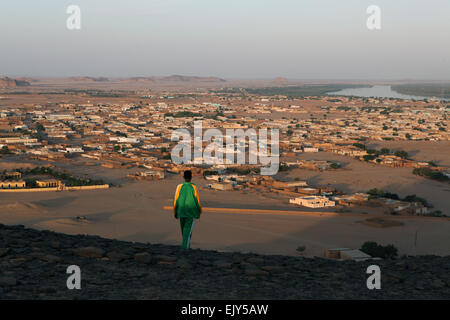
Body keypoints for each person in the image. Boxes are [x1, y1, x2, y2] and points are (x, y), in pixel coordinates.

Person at [173, 170, 202, 249]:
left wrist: (175, 212)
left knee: (184, 231)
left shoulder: (179, 187)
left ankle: (185, 246)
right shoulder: (194, 187)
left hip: (181, 212)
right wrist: (199, 211)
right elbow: (197, 200)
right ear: (191, 177)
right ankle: (185, 249)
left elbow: (176, 200)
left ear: (183, 177)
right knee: (187, 232)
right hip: (191, 212)